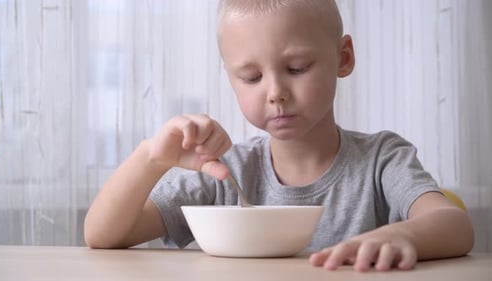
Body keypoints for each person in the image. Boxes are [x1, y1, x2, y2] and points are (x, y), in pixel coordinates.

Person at [84, 0, 474, 272]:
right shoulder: (225, 173)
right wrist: (151, 156)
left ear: (343, 58)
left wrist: (401, 236)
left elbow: (455, 226)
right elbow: (103, 235)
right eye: (251, 77)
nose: (275, 92)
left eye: (298, 68)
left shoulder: (382, 160)